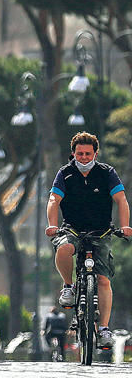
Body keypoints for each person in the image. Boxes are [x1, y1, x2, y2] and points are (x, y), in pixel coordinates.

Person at [45, 131, 132, 350]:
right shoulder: (65, 173)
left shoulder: (107, 173)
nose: (84, 157)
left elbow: (121, 199)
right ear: (73, 153)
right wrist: (52, 225)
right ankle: (68, 286)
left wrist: (125, 226)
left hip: (100, 232)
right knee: (64, 248)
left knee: (103, 280)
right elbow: (54, 199)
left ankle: (103, 329)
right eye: (80, 153)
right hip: (72, 229)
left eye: (88, 153)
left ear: (95, 153)